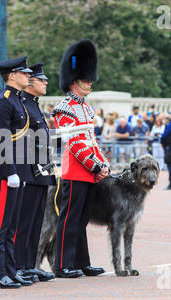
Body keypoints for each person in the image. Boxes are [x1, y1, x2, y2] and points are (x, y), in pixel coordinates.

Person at [52, 39, 109, 279]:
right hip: (75, 171)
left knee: (83, 219)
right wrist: (94, 165)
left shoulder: (86, 109)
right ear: (75, 82)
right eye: (86, 79)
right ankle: (63, 264)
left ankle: (82, 262)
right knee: (69, 219)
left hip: (89, 171)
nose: (90, 82)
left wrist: (102, 163)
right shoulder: (63, 108)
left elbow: (92, 141)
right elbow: (75, 143)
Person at [0, 56, 34, 288]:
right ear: (12, 76)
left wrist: (21, 172)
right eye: (24, 73)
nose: (28, 76)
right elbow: (0, 140)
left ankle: (10, 271)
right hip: (5, 172)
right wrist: (11, 172)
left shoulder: (17, 100)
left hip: (18, 171)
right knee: (0, 227)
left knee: (12, 225)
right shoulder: (4, 102)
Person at [14, 63, 55, 282]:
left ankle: (30, 264)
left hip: (41, 171)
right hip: (29, 171)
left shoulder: (35, 106)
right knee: (25, 222)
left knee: (37, 222)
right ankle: (20, 265)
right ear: (30, 83)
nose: (46, 83)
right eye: (42, 80)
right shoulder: (23, 105)